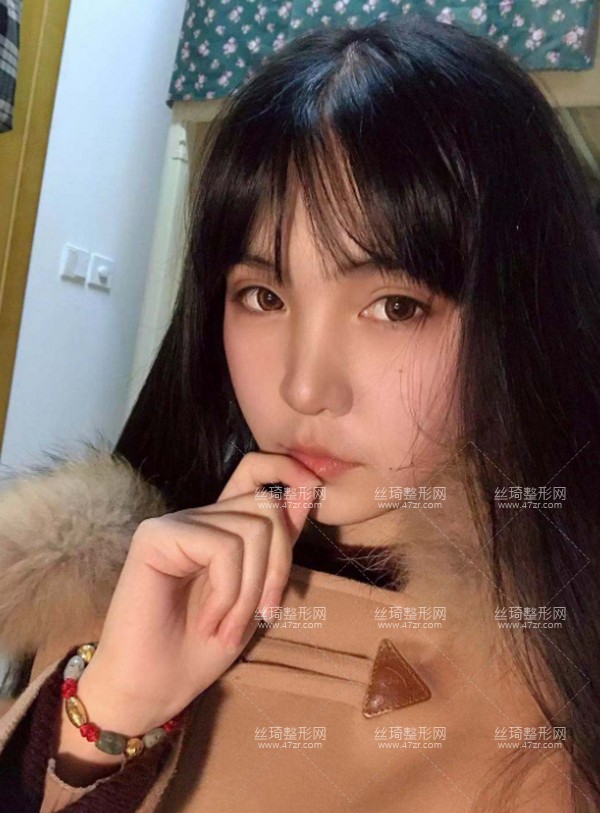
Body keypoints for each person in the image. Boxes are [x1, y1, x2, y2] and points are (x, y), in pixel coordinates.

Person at [0, 11, 599, 812]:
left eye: (394, 306)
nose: (305, 389)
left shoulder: (558, 668)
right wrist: (110, 715)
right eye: (263, 295)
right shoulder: (117, 587)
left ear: (522, 315)